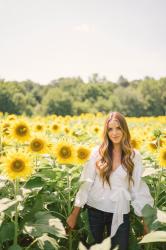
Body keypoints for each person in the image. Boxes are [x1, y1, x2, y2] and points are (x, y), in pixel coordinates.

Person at [66, 112, 153, 250]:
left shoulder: (134, 156)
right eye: (110, 129)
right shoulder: (97, 152)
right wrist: (74, 214)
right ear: (106, 131)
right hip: (95, 210)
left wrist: (145, 221)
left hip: (120, 211)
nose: (114, 133)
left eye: (118, 128)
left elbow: (138, 189)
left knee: (121, 247)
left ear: (124, 129)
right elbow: (86, 183)